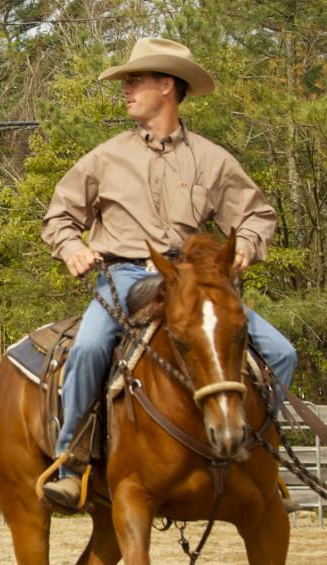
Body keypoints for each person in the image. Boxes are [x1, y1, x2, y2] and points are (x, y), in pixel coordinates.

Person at [40, 37, 297, 510]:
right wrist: (72, 247)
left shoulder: (212, 159)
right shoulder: (104, 158)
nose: (127, 89)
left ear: (167, 85)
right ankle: (72, 460)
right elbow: (58, 217)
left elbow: (258, 215)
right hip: (123, 278)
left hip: (191, 280)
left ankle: (257, 457)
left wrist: (248, 248)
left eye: (135, 80)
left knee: (281, 353)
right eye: (126, 82)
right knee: (92, 347)